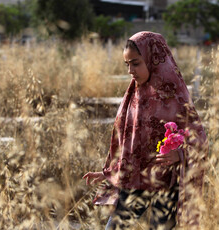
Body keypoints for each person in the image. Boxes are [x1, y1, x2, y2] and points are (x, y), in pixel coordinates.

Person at [83, 31, 208, 230]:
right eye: (127, 65)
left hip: (167, 185)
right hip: (135, 182)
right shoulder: (133, 95)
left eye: (136, 63)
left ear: (153, 59)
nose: (131, 71)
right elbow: (129, 144)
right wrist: (110, 172)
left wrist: (180, 154)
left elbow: (199, 140)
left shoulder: (175, 95)